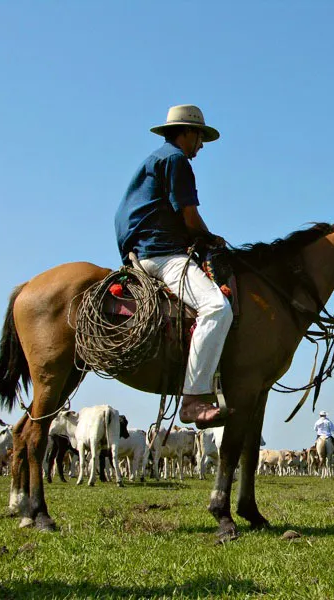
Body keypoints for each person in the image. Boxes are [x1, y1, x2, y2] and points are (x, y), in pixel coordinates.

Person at [115, 104, 233, 428]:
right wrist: (213, 239)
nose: (201, 145)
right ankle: (193, 399)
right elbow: (191, 218)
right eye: (200, 137)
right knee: (217, 308)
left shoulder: (154, 160)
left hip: (140, 251)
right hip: (163, 254)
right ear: (188, 132)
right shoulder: (176, 160)